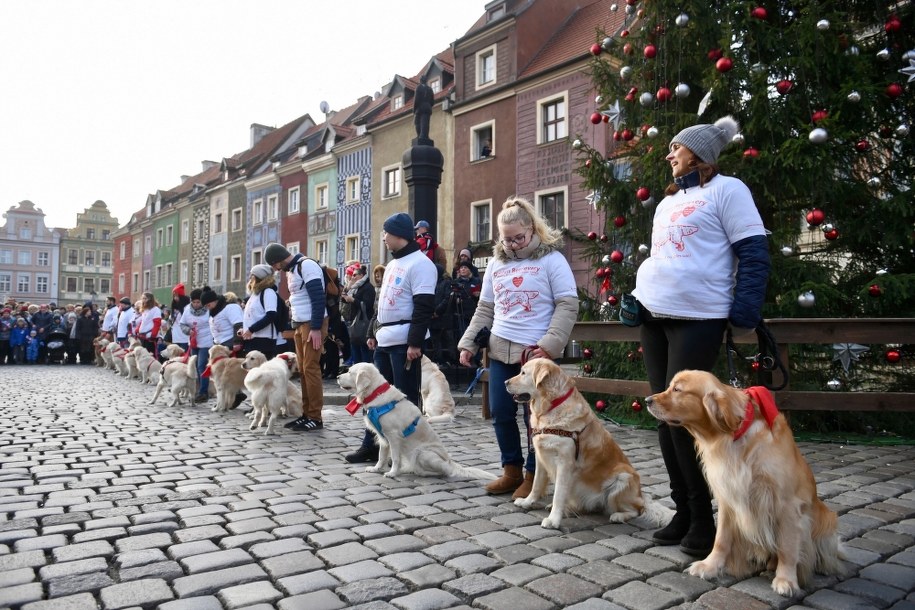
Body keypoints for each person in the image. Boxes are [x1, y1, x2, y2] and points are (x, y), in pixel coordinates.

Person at [632, 116, 770, 557]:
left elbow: (753, 251)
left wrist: (745, 309)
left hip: (699, 316)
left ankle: (705, 519)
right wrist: (637, 296)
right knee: (663, 414)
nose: (669, 154)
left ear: (699, 155)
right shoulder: (668, 201)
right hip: (654, 315)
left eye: (676, 147)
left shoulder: (729, 190)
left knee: (685, 418)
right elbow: (664, 257)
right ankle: (684, 511)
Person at [458, 196, 579, 498]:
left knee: (535, 418)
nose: (512, 245)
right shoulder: (496, 264)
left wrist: (549, 346)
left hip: (535, 355)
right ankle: (510, 470)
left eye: (518, 238)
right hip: (500, 349)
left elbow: (567, 305)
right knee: (500, 411)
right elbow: (485, 308)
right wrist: (468, 343)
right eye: (506, 239)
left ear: (532, 229)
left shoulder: (552, 260)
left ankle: (533, 475)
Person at [346, 212, 437, 464]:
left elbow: (423, 306)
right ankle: (373, 445)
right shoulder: (393, 264)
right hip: (385, 339)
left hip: (403, 341)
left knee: (403, 399)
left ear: (399, 234)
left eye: (386, 233)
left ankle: (409, 451)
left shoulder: (421, 264)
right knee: (373, 395)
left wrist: (415, 342)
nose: (384, 238)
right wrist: (372, 331)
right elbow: (383, 303)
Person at [264, 242, 327, 432]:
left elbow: (318, 298)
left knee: (311, 368)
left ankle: (315, 417)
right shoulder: (292, 270)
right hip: (301, 324)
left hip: (311, 324)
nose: (276, 269)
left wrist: (315, 327)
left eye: (274, 265)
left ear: (279, 259)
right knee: (304, 370)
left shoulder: (306, 265)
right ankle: (306, 414)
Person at [201, 286, 246, 408]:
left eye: (208, 305)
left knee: (230, 374)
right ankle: (233, 397)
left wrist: (237, 342)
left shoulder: (230, 308)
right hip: (220, 344)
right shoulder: (213, 312)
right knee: (224, 376)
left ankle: (234, 396)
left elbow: (238, 324)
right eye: (206, 306)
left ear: (215, 301)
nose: (207, 308)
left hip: (230, 342)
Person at [180, 287, 215, 403]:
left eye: (198, 302)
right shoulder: (187, 309)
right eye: (194, 302)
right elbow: (182, 324)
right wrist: (188, 331)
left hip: (206, 340)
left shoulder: (208, 310)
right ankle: (197, 389)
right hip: (193, 341)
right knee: (194, 366)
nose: (196, 304)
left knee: (201, 366)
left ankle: (203, 392)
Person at [240, 264, 280, 359]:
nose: (250, 278)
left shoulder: (268, 292)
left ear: (258, 277)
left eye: (252, 275)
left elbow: (271, 315)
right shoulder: (255, 294)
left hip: (263, 341)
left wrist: (251, 329)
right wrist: (244, 329)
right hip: (252, 339)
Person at [341, 265, 375, 365]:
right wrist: (347, 288)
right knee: (355, 349)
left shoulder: (368, 287)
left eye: (355, 275)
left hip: (363, 322)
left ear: (361, 275)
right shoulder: (355, 287)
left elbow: (368, 305)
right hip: (354, 322)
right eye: (352, 275)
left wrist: (353, 300)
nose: (353, 277)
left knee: (364, 350)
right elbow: (343, 299)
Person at [170, 283, 190, 350]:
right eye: (174, 296)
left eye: (177, 296)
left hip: (184, 337)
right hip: (176, 336)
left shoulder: (187, 307)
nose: (175, 298)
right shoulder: (174, 306)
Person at [413, 74, 434, 141]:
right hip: (428, 108)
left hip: (420, 108)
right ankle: (425, 136)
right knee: (426, 122)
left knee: (418, 122)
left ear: (420, 80)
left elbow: (416, 99)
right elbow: (432, 101)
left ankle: (421, 136)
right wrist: (428, 105)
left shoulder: (419, 87)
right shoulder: (430, 89)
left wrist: (414, 109)